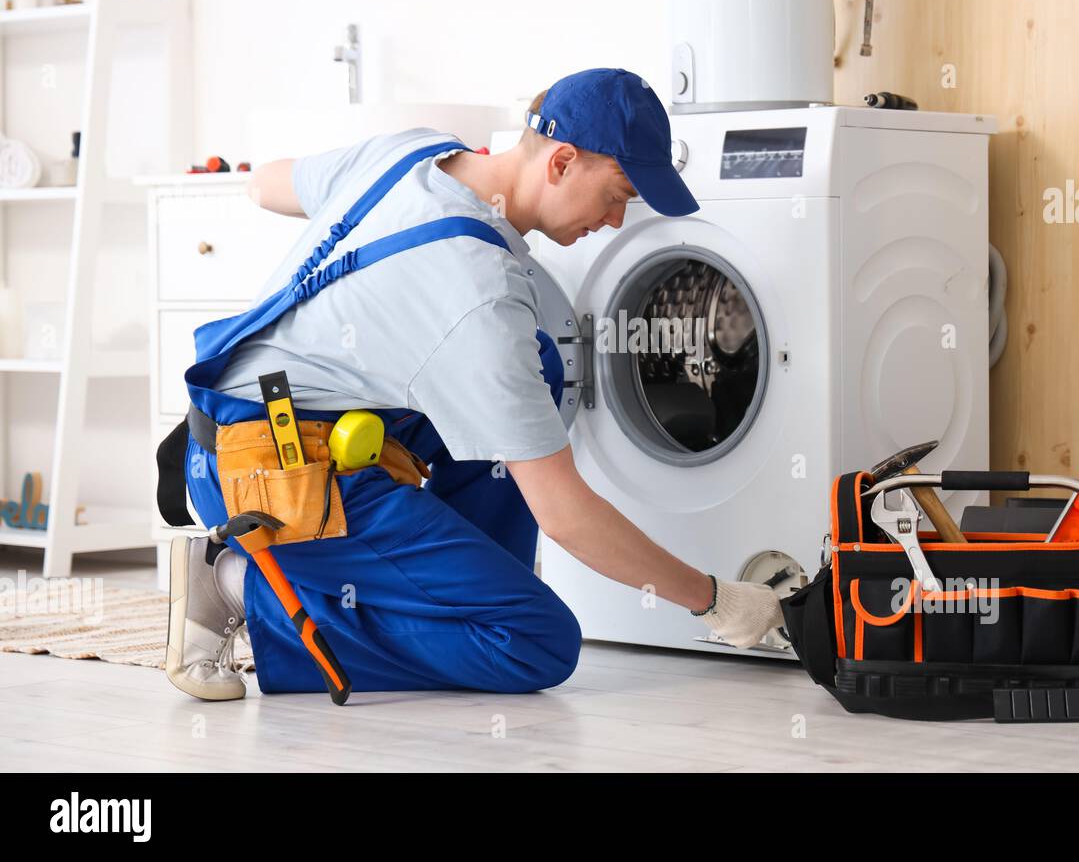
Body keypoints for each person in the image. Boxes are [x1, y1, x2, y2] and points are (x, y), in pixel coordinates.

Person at [163, 68, 785, 700]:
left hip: (255, 428)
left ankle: (456, 589)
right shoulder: (480, 293)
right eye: (618, 193)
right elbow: (565, 516)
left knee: (539, 362)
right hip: (276, 481)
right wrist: (714, 601)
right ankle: (239, 583)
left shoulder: (412, 152)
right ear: (563, 162)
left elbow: (266, 184)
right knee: (535, 642)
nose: (618, 220)